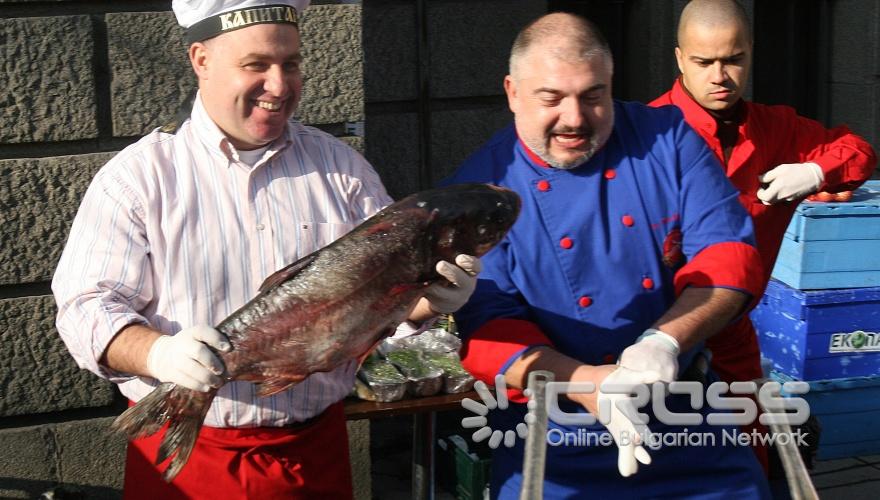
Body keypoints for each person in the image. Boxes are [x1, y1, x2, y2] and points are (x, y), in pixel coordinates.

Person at [51, 1, 481, 498]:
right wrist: (159, 353)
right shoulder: (139, 179)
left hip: (313, 455)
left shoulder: (343, 172)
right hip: (183, 462)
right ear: (201, 59)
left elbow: (383, 300)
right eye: (256, 65)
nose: (279, 86)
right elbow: (85, 309)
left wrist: (433, 297)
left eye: (291, 64)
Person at [444, 12, 772, 499]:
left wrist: (662, 343)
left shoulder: (669, 139)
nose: (575, 118)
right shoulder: (480, 193)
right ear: (513, 92)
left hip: (688, 421)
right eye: (551, 98)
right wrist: (586, 383)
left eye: (593, 96)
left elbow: (727, 256)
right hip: (554, 442)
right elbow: (489, 327)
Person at [650, 0, 876, 470]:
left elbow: (858, 150)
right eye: (703, 62)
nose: (720, 75)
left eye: (733, 59)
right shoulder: (646, 130)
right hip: (653, 326)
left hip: (733, 329)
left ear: (750, 54)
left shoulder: (776, 128)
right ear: (678, 59)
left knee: (753, 458)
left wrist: (816, 170)